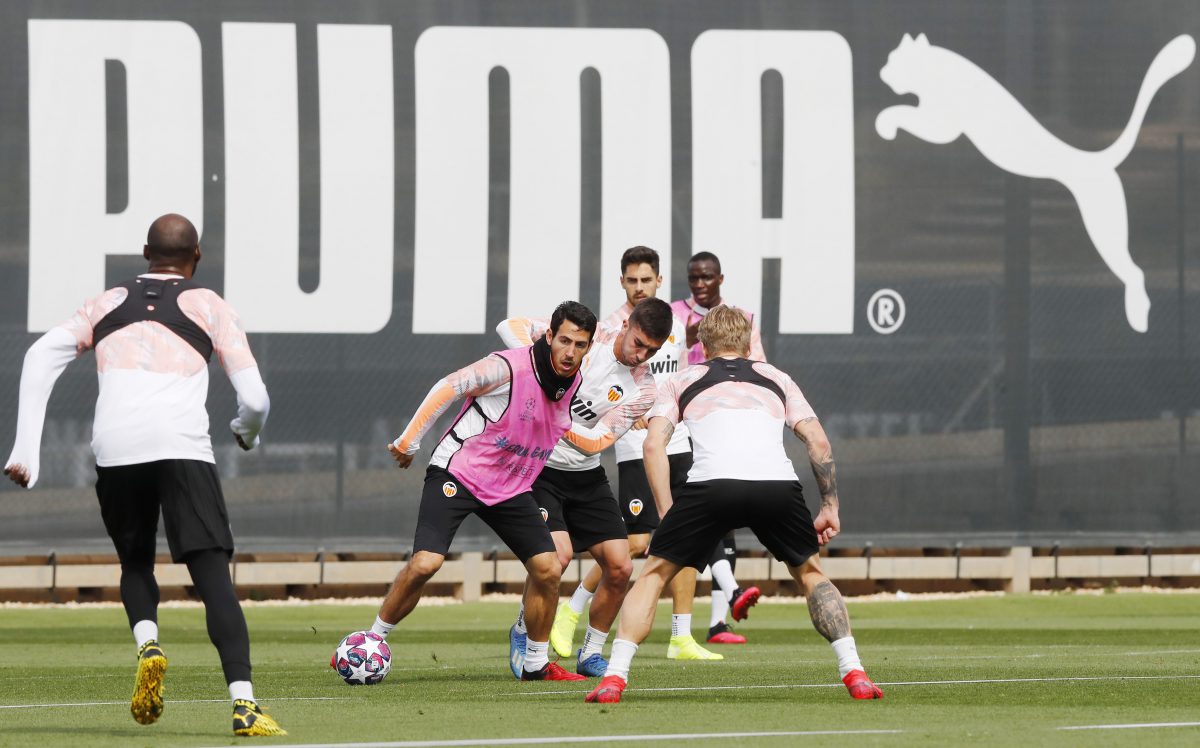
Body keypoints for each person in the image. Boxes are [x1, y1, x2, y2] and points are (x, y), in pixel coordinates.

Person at [3, 214, 285, 736]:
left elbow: (40, 356)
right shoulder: (209, 305)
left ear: (144, 253)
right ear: (196, 256)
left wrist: (27, 449)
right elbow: (255, 399)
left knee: (135, 563)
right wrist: (247, 432)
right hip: (182, 449)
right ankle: (244, 704)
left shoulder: (105, 302)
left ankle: (148, 643)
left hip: (116, 449)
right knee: (212, 579)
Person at [584, 305, 883, 704]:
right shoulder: (776, 377)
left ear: (702, 346)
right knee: (811, 574)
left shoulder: (682, 378)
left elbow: (653, 445)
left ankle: (614, 678)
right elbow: (819, 443)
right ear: (747, 344)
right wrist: (830, 506)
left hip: (711, 486)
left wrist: (669, 511)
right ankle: (855, 672)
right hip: (775, 486)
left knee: (654, 574)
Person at [366, 301, 597, 683]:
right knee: (426, 564)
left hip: (511, 488)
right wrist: (408, 442)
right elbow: (449, 386)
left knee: (549, 568)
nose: (570, 352)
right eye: (565, 341)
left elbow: (585, 435)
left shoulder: (573, 383)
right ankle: (372, 639)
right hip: (459, 472)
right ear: (549, 336)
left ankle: (536, 663)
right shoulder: (508, 366)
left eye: (580, 345)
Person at [550, 247, 722, 662]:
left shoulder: (676, 325)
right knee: (635, 539)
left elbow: (677, 376)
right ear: (622, 282)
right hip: (632, 445)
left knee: (685, 532)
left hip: (678, 439)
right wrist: (632, 415)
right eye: (632, 280)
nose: (639, 286)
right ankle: (570, 611)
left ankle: (681, 636)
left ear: (659, 281)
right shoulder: (608, 330)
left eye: (647, 279)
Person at [497, 297, 672, 677]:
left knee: (621, 565)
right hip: (541, 467)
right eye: (638, 343)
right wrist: (539, 365)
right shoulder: (588, 341)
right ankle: (524, 632)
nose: (641, 355)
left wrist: (554, 414)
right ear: (625, 327)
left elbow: (598, 440)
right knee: (556, 559)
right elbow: (508, 326)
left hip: (587, 475)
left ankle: (591, 652)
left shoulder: (644, 388)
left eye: (651, 351)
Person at [671, 251, 764, 642]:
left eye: (706, 277)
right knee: (696, 515)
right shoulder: (673, 315)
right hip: (683, 425)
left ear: (720, 278)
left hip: (725, 424)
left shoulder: (740, 319)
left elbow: (756, 365)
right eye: (693, 277)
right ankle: (725, 598)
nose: (699, 284)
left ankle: (717, 622)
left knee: (723, 517)